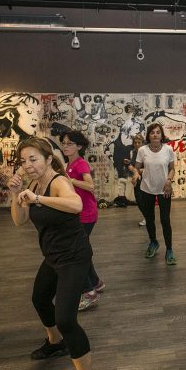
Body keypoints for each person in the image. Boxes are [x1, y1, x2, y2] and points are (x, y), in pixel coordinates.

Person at [7, 137, 93, 370]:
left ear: (47, 159)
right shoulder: (33, 185)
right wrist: (16, 194)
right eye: (23, 161)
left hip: (74, 257)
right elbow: (19, 220)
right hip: (53, 256)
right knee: (40, 299)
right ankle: (55, 343)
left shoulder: (59, 181)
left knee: (66, 319)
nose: (27, 165)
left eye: (33, 159)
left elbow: (76, 205)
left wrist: (37, 199)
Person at [60, 131, 104, 312]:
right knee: (82, 249)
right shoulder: (68, 164)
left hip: (86, 214)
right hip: (76, 213)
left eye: (69, 143)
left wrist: (71, 181)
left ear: (79, 146)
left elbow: (90, 186)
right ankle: (95, 282)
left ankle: (89, 292)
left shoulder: (81, 164)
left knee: (76, 252)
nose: (65, 146)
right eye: (63, 143)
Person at [132, 123, 176, 265]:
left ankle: (169, 250)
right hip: (146, 189)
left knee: (165, 220)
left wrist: (169, 180)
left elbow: (172, 169)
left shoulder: (168, 149)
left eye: (158, 132)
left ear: (162, 135)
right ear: (148, 135)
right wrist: (135, 174)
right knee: (149, 219)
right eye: (152, 132)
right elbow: (137, 168)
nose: (155, 135)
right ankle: (153, 242)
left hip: (164, 189)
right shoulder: (142, 150)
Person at [125, 134, 146, 226]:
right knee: (138, 199)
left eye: (139, 142)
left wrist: (138, 170)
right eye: (135, 142)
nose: (137, 144)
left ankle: (148, 218)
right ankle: (147, 216)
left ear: (142, 143)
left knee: (145, 199)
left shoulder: (146, 153)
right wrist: (130, 165)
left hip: (146, 179)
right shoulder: (131, 152)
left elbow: (149, 167)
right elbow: (129, 164)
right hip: (136, 179)